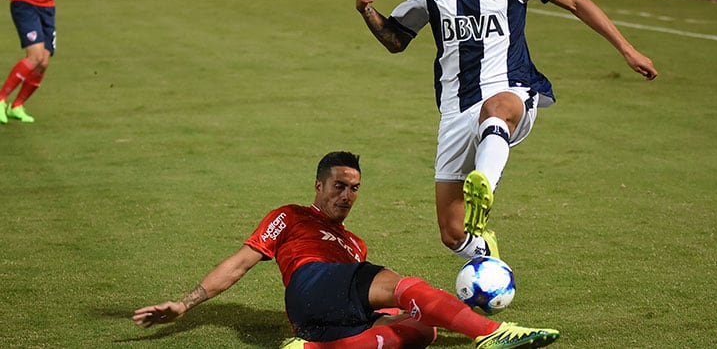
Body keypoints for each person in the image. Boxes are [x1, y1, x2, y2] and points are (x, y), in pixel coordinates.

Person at [355, 0, 657, 261]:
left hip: (510, 89)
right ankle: (489, 259)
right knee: (452, 235)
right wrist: (367, 10)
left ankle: (483, 183)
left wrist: (627, 49)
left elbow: (576, 2)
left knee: (496, 109)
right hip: (454, 110)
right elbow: (396, 40)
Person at [132, 152, 560, 349]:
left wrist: (436, 315)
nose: (347, 195)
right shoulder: (291, 215)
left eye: (354, 188)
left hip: (321, 320)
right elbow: (240, 263)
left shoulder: (355, 244)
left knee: (420, 329)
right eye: (339, 186)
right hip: (309, 282)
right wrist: (186, 304)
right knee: (401, 285)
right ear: (319, 186)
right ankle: (492, 334)